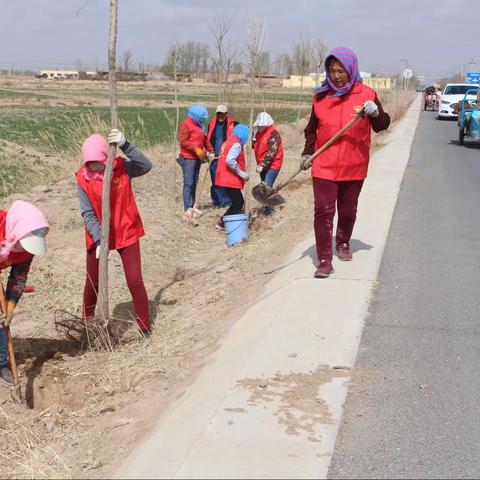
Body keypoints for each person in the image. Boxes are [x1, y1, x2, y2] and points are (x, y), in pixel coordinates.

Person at [300, 47, 390, 278]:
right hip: (325, 165)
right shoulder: (320, 97)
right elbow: (311, 130)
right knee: (323, 211)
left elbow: (382, 125)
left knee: (348, 211)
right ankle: (324, 259)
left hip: (354, 165)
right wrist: (306, 153)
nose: (336, 75)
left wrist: (375, 113)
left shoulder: (367, 95)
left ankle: (343, 241)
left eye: (341, 71)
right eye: (331, 71)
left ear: (351, 70)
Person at [76, 129, 152, 335]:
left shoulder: (121, 168)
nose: (93, 166)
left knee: (134, 279)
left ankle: (144, 327)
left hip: (126, 229)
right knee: (92, 282)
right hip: (97, 234)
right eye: (89, 162)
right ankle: (86, 327)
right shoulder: (82, 179)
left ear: (106, 157)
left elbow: (146, 166)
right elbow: (88, 213)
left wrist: (126, 144)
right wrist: (100, 239)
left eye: (97, 161)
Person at [0, 200, 49, 386]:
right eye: (22, 244)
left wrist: (10, 307)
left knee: (2, 317)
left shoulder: (26, 251)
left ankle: (1, 363)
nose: (23, 249)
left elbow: (18, 278)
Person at [178, 105, 214, 212]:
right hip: (188, 158)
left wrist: (211, 151)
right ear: (196, 115)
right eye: (202, 117)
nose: (203, 120)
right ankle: (187, 207)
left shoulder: (200, 125)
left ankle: (193, 206)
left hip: (198, 157)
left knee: (195, 181)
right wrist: (196, 149)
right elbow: (183, 141)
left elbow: (205, 138)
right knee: (189, 182)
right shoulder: (186, 124)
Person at [215, 124, 250, 228]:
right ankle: (223, 223)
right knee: (238, 203)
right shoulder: (237, 144)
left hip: (223, 177)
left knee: (237, 202)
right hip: (229, 178)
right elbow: (230, 160)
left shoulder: (228, 141)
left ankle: (225, 222)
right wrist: (241, 173)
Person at [252, 112, 284, 215]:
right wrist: (253, 139)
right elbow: (256, 147)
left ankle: (271, 211)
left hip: (273, 164)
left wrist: (262, 165)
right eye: (259, 125)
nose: (259, 127)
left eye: (261, 126)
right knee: (264, 187)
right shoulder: (258, 133)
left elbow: (271, 153)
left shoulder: (274, 133)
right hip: (262, 165)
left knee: (267, 187)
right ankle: (268, 207)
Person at [206, 105, 238, 208]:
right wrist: (207, 152)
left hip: (226, 157)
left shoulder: (234, 124)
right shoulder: (211, 124)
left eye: (222, 114)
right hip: (213, 156)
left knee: (225, 179)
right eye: (218, 113)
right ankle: (217, 201)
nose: (220, 116)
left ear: (226, 114)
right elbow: (207, 139)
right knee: (215, 179)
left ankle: (227, 201)